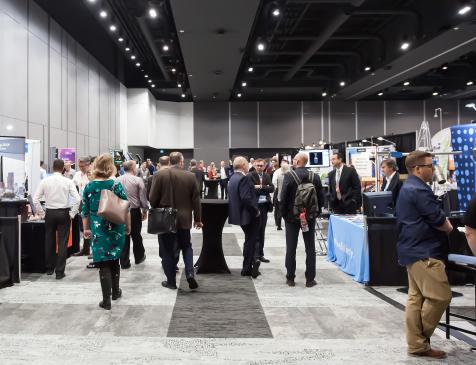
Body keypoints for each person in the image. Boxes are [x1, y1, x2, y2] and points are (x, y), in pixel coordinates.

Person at [396, 151, 453, 359]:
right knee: (440, 296)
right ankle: (419, 341)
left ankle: (416, 344)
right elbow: (438, 220)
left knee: (416, 298)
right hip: (424, 252)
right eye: (429, 165)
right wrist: (449, 228)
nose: (433, 169)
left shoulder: (408, 187)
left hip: (413, 250)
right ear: (417, 168)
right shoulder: (419, 190)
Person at [82, 154, 130, 310]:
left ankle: (106, 300)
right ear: (110, 167)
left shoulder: (89, 187)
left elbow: (85, 211)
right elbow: (125, 207)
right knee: (114, 259)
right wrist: (128, 226)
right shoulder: (116, 185)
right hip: (116, 227)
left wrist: (86, 228)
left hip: (98, 230)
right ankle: (115, 291)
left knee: (103, 262)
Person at [149, 152, 202, 290]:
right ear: (181, 161)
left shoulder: (159, 175)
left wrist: (156, 209)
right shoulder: (190, 176)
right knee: (186, 246)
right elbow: (196, 200)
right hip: (184, 219)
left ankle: (171, 282)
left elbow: (153, 198)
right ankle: (190, 273)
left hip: (165, 218)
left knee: (167, 250)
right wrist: (198, 219)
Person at [280, 152, 324, 287]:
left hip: (292, 218)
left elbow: (283, 198)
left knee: (291, 248)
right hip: (309, 218)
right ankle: (310, 279)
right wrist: (315, 213)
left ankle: (290, 278)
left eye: (294, 159)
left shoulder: (289, 176)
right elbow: (321, 199)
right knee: (310, 248)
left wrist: (284, 216)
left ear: (297, 161)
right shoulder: (315, 177)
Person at [33, 159, 81, 280]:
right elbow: (78, 199)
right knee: (62, 242)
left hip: (49, 213)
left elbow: (35, 200)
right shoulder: (68, 181)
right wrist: (72, 214)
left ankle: (49, 269)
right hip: (64, 213)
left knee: (49, 240)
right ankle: (60, 272)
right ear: (63, 168)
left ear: (53, 167)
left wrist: (42, 213)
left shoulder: (45, 181)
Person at [228, 156, 261, 278]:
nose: (249, 166)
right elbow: (246, 198)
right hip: (248, 215)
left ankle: (251, 263)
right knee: (251, 241)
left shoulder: (233, 178)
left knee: (249, 240)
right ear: (243, 165)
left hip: (240, 215)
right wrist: (256, 210)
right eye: (247, 164)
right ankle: (247, 268)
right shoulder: (244, 178)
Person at [116, 160, 148, 269]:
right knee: (136, 235)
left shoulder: (116, 180)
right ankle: (139, 257)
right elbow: (143, 197)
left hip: (120, 211)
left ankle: (124, 262)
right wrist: (144, 210)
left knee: (124, 236)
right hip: (134, 212)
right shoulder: (138, 180)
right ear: (133, 168)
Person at [247, 158, 274, 263]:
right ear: (254, 165)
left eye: (261, 165)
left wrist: (260, 187)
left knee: (262, 231)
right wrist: (264, 188)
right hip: (255, 207)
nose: (259, 167)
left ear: (265, 166)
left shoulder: (267, 175)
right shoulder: (250, 176)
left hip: (264, 206)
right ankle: (255, 254)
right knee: (255, 231)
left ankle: (260, 254)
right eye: (257, 165)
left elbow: (272, 188)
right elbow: (251, 189)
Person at [72, 157, 92, 257]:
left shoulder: (93, 174)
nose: (80, 168)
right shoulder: (77, 174)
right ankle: (85, 249)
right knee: (83, 227)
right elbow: (72, 186)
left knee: (92, 226)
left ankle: (93, 250)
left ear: (88, 164)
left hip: (92, 203)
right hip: (82, 202)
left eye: (82, 166)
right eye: (79, 166)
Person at [272, 160, 289, 230]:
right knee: (283, 210)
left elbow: (276, 183)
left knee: (279, 210)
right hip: (284, 194)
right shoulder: (289, 175)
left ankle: (278, 225)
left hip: (279, 193)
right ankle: (282, 223)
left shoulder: (279, 175)